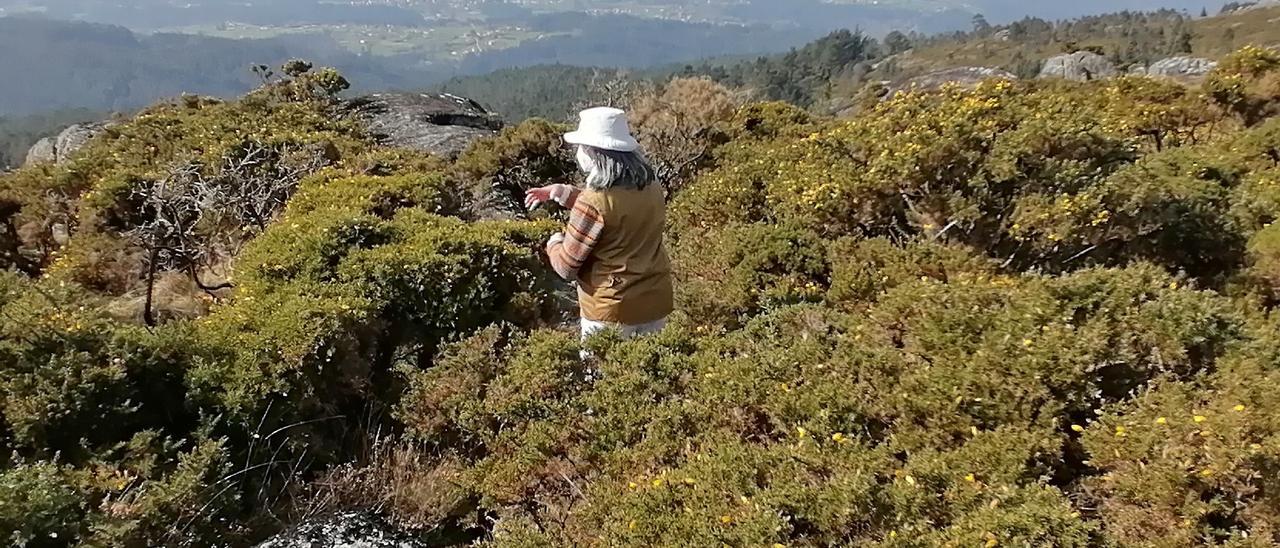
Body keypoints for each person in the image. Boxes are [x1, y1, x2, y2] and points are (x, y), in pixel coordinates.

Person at [525, 107, 673, 353]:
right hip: (654, 299)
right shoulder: (651, 185)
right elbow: (616, 212)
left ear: (593, 154)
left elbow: (565, 267)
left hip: (610, 308)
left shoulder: (592, 202)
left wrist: (554, 242)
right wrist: (562, 192)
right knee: (651, 375)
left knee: (601, 382)